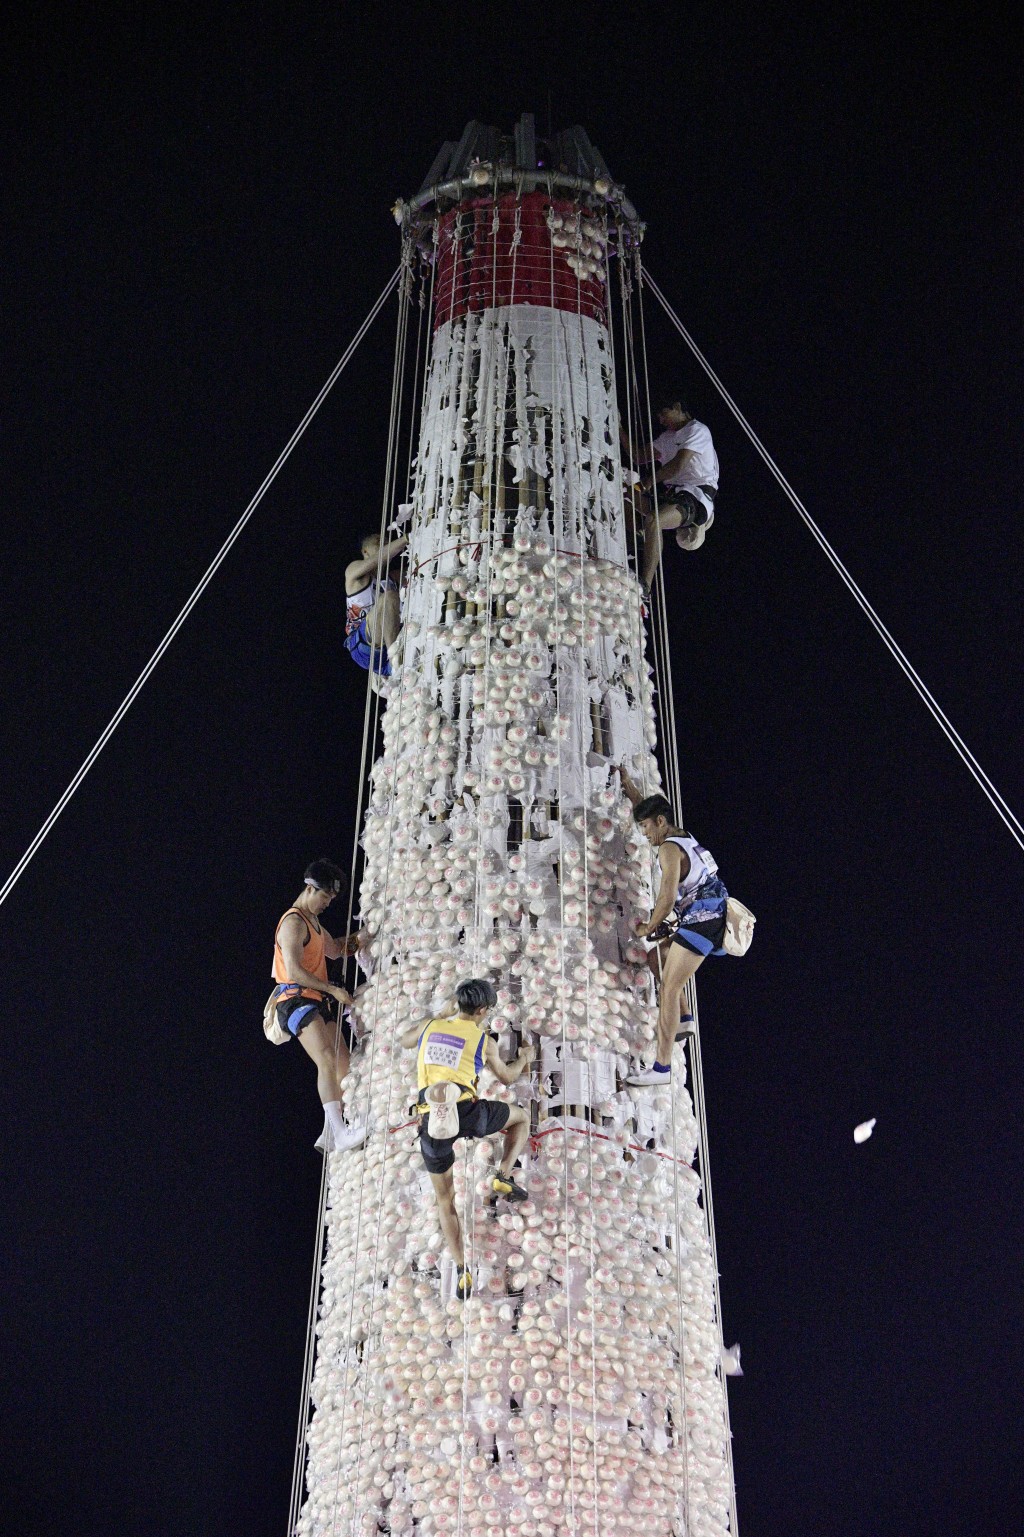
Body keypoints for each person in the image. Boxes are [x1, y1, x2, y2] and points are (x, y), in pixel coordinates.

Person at [399, 979, 535, 1301]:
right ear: (484, 1010)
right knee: (522, 1118)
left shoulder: (429, 1028)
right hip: (468, 1113)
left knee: (445, 1200)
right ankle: (502, 1174)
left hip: (431, 1118)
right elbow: (508, 1077)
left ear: (457, 1003)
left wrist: (440, 1015)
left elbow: (405, 1039)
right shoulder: (483, 1040)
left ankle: (462, 1270)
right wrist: (525, 1057)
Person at [616, 769, 729, 1086]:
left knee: (668, 988)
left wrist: (647, 927)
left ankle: (661, 1070)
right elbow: (650, 808)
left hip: (703, 919)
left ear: (660, 823)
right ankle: (686, 1020)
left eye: (645, 827)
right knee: (658, 959)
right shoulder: (683, 837)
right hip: (706, 915)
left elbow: (666, 898)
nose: (644, 834)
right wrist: (629, 787)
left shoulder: (667, 848)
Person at [270, 858, 367, 1152]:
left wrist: (362, 938)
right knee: (325, 1059)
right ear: (310, 888)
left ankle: (329, 1130)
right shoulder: (294, 923)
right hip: (295, 999)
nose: (327, 903)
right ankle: (339, 1134)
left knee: (343, 1063)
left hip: (316, 1000)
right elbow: (295, 970)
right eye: (325, 897)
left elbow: (336, 951)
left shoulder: (314, 923)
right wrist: (332, 991)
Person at [621, 393, 719, 590]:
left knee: (655, 519)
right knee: (623, 492)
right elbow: (639, 456)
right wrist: (619, 428)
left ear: (677, 406)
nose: (661, 420)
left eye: (663, 414)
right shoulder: (667, 438)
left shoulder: (697, 430)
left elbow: (678, 465)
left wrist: (647, 483)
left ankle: (645, 584)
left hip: (696, 497)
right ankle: (640, 535)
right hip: (673, 495)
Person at [344, 531, 407, 677]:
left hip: (383, 652)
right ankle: (395, 660)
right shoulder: (354, 571)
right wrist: (405, 539)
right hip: (361, 644)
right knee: (389, 597)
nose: (384, 544)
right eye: (378, 541)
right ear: (364, 551)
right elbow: (379, 558)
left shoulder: (393, 578)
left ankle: (390, 670)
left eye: (386, 542)